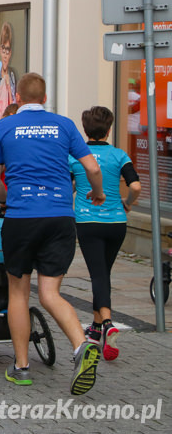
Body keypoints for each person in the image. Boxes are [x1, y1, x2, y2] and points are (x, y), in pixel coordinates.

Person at [0, 72, 104, 394]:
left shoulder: (5, 126)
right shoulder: (64, 124)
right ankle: (81, 345)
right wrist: (98, 193)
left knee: (19, 292)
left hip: (23, 217)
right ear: (45, 98)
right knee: (51, 292)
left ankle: (21, 367)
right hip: (60, 216)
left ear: (18, 98)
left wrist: (11, 199)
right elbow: (92, 168)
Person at [70, 106, 141, 362]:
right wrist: (128, 202)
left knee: (98, 275)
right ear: (109, 130)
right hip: (116, 223)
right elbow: (135, 185)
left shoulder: (76, 157)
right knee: (103, 274)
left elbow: (68, 187)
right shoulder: (119, 155)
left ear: (84, 130)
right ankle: (96, 328)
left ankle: (108, 322)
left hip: (88, 222)